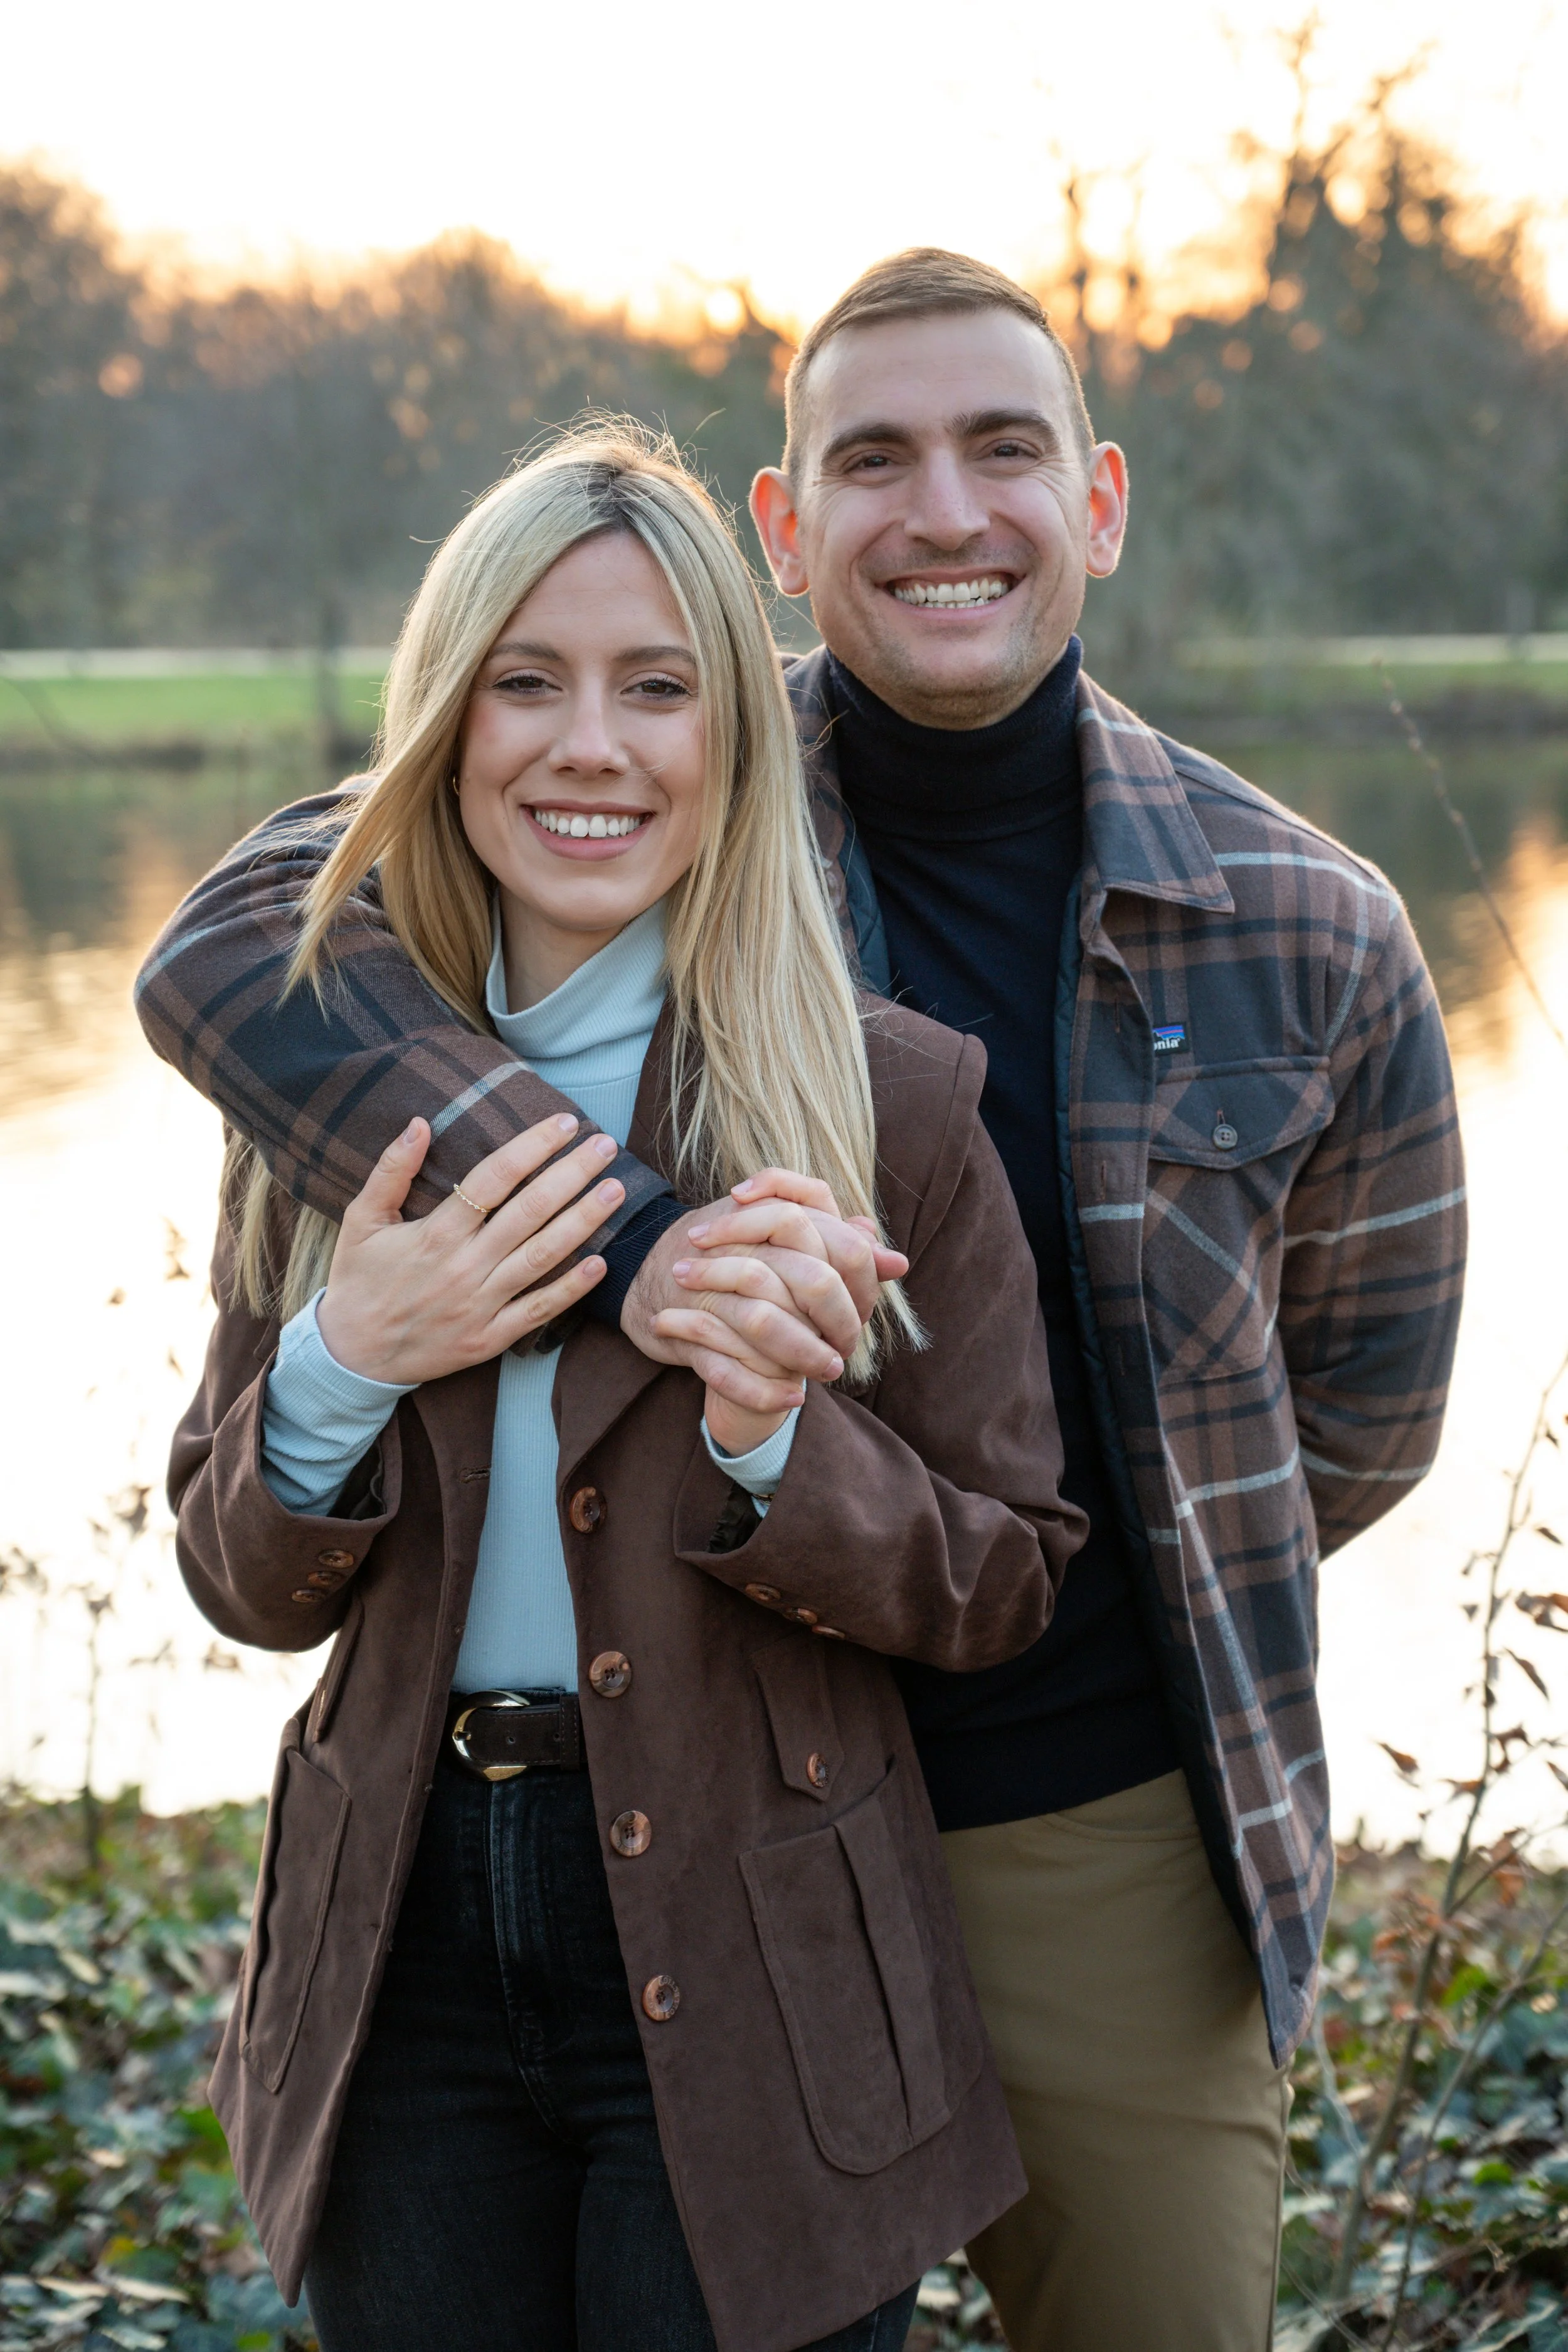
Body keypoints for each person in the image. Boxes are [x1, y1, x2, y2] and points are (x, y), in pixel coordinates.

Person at [139, 252, 1467, 2352]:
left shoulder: (1305, 922)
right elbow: (238, 944)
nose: (942, 509)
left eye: (1001, 448)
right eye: (872, 458)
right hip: (628, 1813)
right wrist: (604, 1264)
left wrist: (828, 1460)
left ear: (1097, 499)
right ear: (784, 530)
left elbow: (1355, 1426)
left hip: (1069, 1808)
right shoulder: (655, 781)